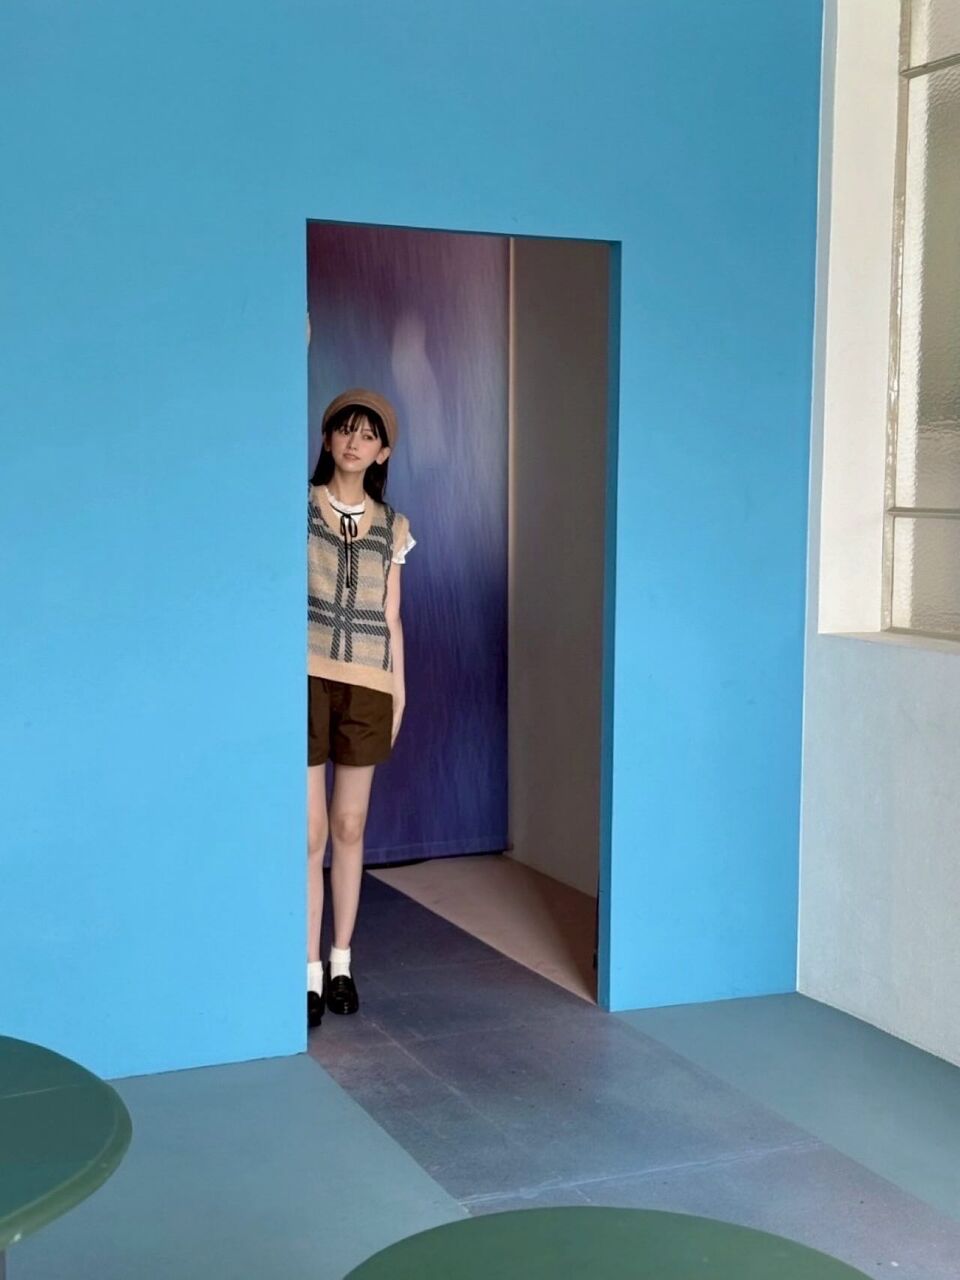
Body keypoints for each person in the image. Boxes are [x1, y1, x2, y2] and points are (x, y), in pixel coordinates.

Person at [306, 388, 415, 1029]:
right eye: (344, 430)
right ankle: (306, 973)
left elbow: (391, 616)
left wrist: (399, 691)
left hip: (368, 682)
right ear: (327, 440)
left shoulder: (394, 526)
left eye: (367, 435)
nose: (354, 442)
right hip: (305, 677)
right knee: (309, 832)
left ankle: (341, 962)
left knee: (349, 827)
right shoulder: (298, 508)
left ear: (383, 452)